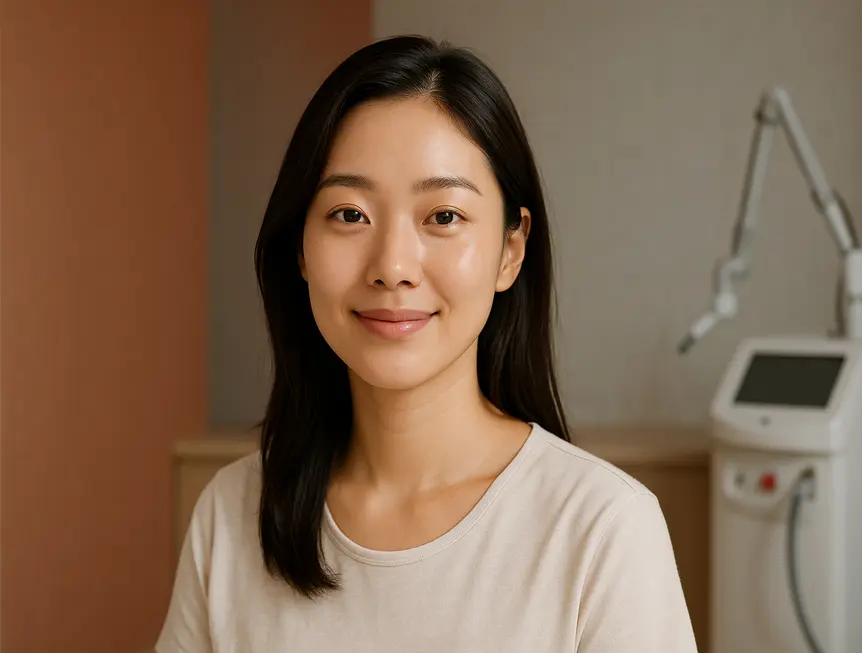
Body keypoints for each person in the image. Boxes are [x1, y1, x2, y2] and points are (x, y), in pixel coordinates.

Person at [156, 35, 698, 653]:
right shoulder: (231, 514)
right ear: (301, 247)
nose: (393, 266)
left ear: (510, 250)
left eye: (443, 216)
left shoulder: (602, 529)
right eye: (350, 214)